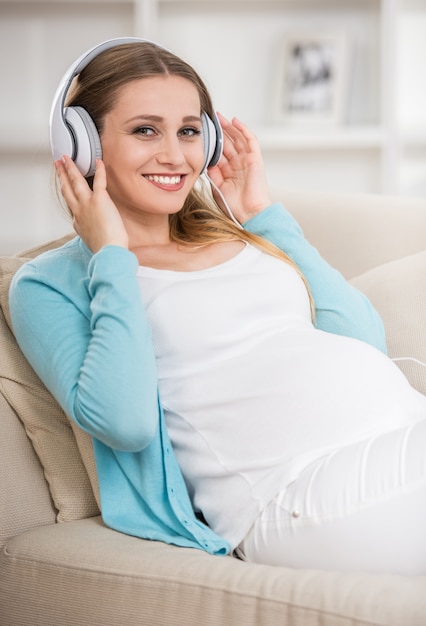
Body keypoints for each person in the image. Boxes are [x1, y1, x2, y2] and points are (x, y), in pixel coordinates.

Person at [9, 38, 426, 575]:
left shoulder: (235, 232)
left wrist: (261, 213)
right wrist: (111, 256)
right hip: (296, 495)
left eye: (188, 130)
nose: (175, 154)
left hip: (398, 450)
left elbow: (363, 339)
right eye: (144, 130)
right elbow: (124, 420)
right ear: (83, 144)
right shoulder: (51, 283)